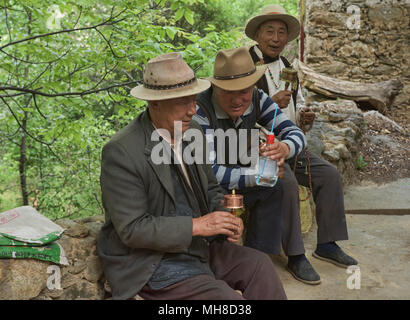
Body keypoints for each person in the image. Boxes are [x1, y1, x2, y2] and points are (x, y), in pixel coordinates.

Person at [97, 52, 287, 300]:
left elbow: (210, 189)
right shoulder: (121, 151)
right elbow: (132, 229)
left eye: (194, 100)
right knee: (225, 299)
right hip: (152, 263)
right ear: (155, 103)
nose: (192, 110)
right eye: (183, 103)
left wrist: (226, 217)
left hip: (196, 249)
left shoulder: (191, 130)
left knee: (259, 264)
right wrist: (198, 225)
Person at [245, 4, 358, 284]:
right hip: (257, 148)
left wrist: (302, 115)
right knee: (288, 185)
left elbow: (297, 101)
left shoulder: (287, 66)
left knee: (329, 175)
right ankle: (295, 255)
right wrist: (270, 104)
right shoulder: (244, 66)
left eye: (281, 32)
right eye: (269, 31)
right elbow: (236, 113)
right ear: (257, 35)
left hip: (291, 145)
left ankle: (327, 244)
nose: (276, 38)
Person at [193, 46, 307, 265]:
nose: (238, 100)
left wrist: (285, 148)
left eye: (244, 91)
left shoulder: (258, 97)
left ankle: (259, 258)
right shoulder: (200, 110)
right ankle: (221, 266)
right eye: (228, 92)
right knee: (220, 202)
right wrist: (258, 175)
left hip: (239, 170)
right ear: (215, 88)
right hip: (209, 184)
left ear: (253, 86)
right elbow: (210, 172)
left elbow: (294, 132)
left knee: (277, 187)